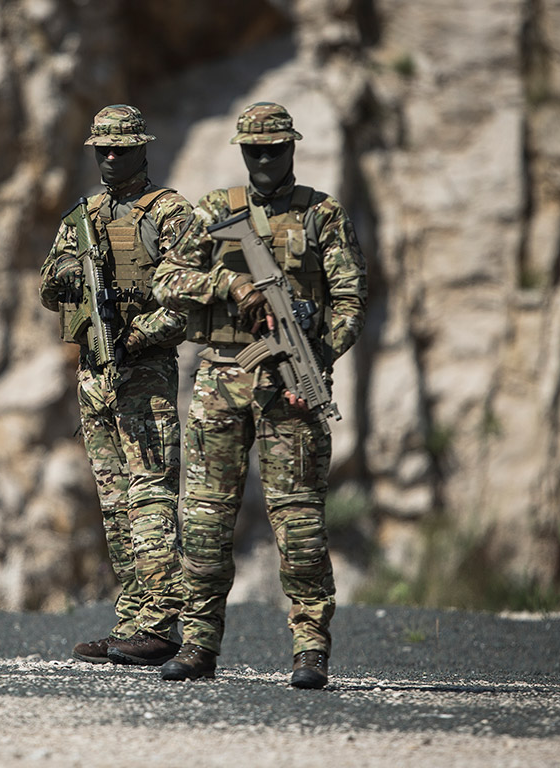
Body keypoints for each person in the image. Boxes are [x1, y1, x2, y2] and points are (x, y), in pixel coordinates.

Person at [150, 102, 368, 689]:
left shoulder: (323, 214)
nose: (265, 159)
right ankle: (197, 644)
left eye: (274, 149)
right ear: (242, 152)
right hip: (221, 380)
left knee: (299, 527)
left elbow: (349, 302)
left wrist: (316, 354)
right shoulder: (217, 211)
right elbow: (167, 280)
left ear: (293, 149)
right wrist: (232, 283)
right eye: (254, 150)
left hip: (290, 390)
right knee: (203, 521)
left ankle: (310, 650)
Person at [39, 105, 193, 667]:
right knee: (114, 504)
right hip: (95, 375)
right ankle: (133, 621)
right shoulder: (82, 216)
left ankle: (161, 624)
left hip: (143, 373)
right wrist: (70, 274)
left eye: (120, 149)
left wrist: (138, 331)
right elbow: (49, 290)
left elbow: (189, 301)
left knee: (150, 495)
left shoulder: (171, 213)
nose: (109, 157)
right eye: (101, 149)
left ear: (141, 149)